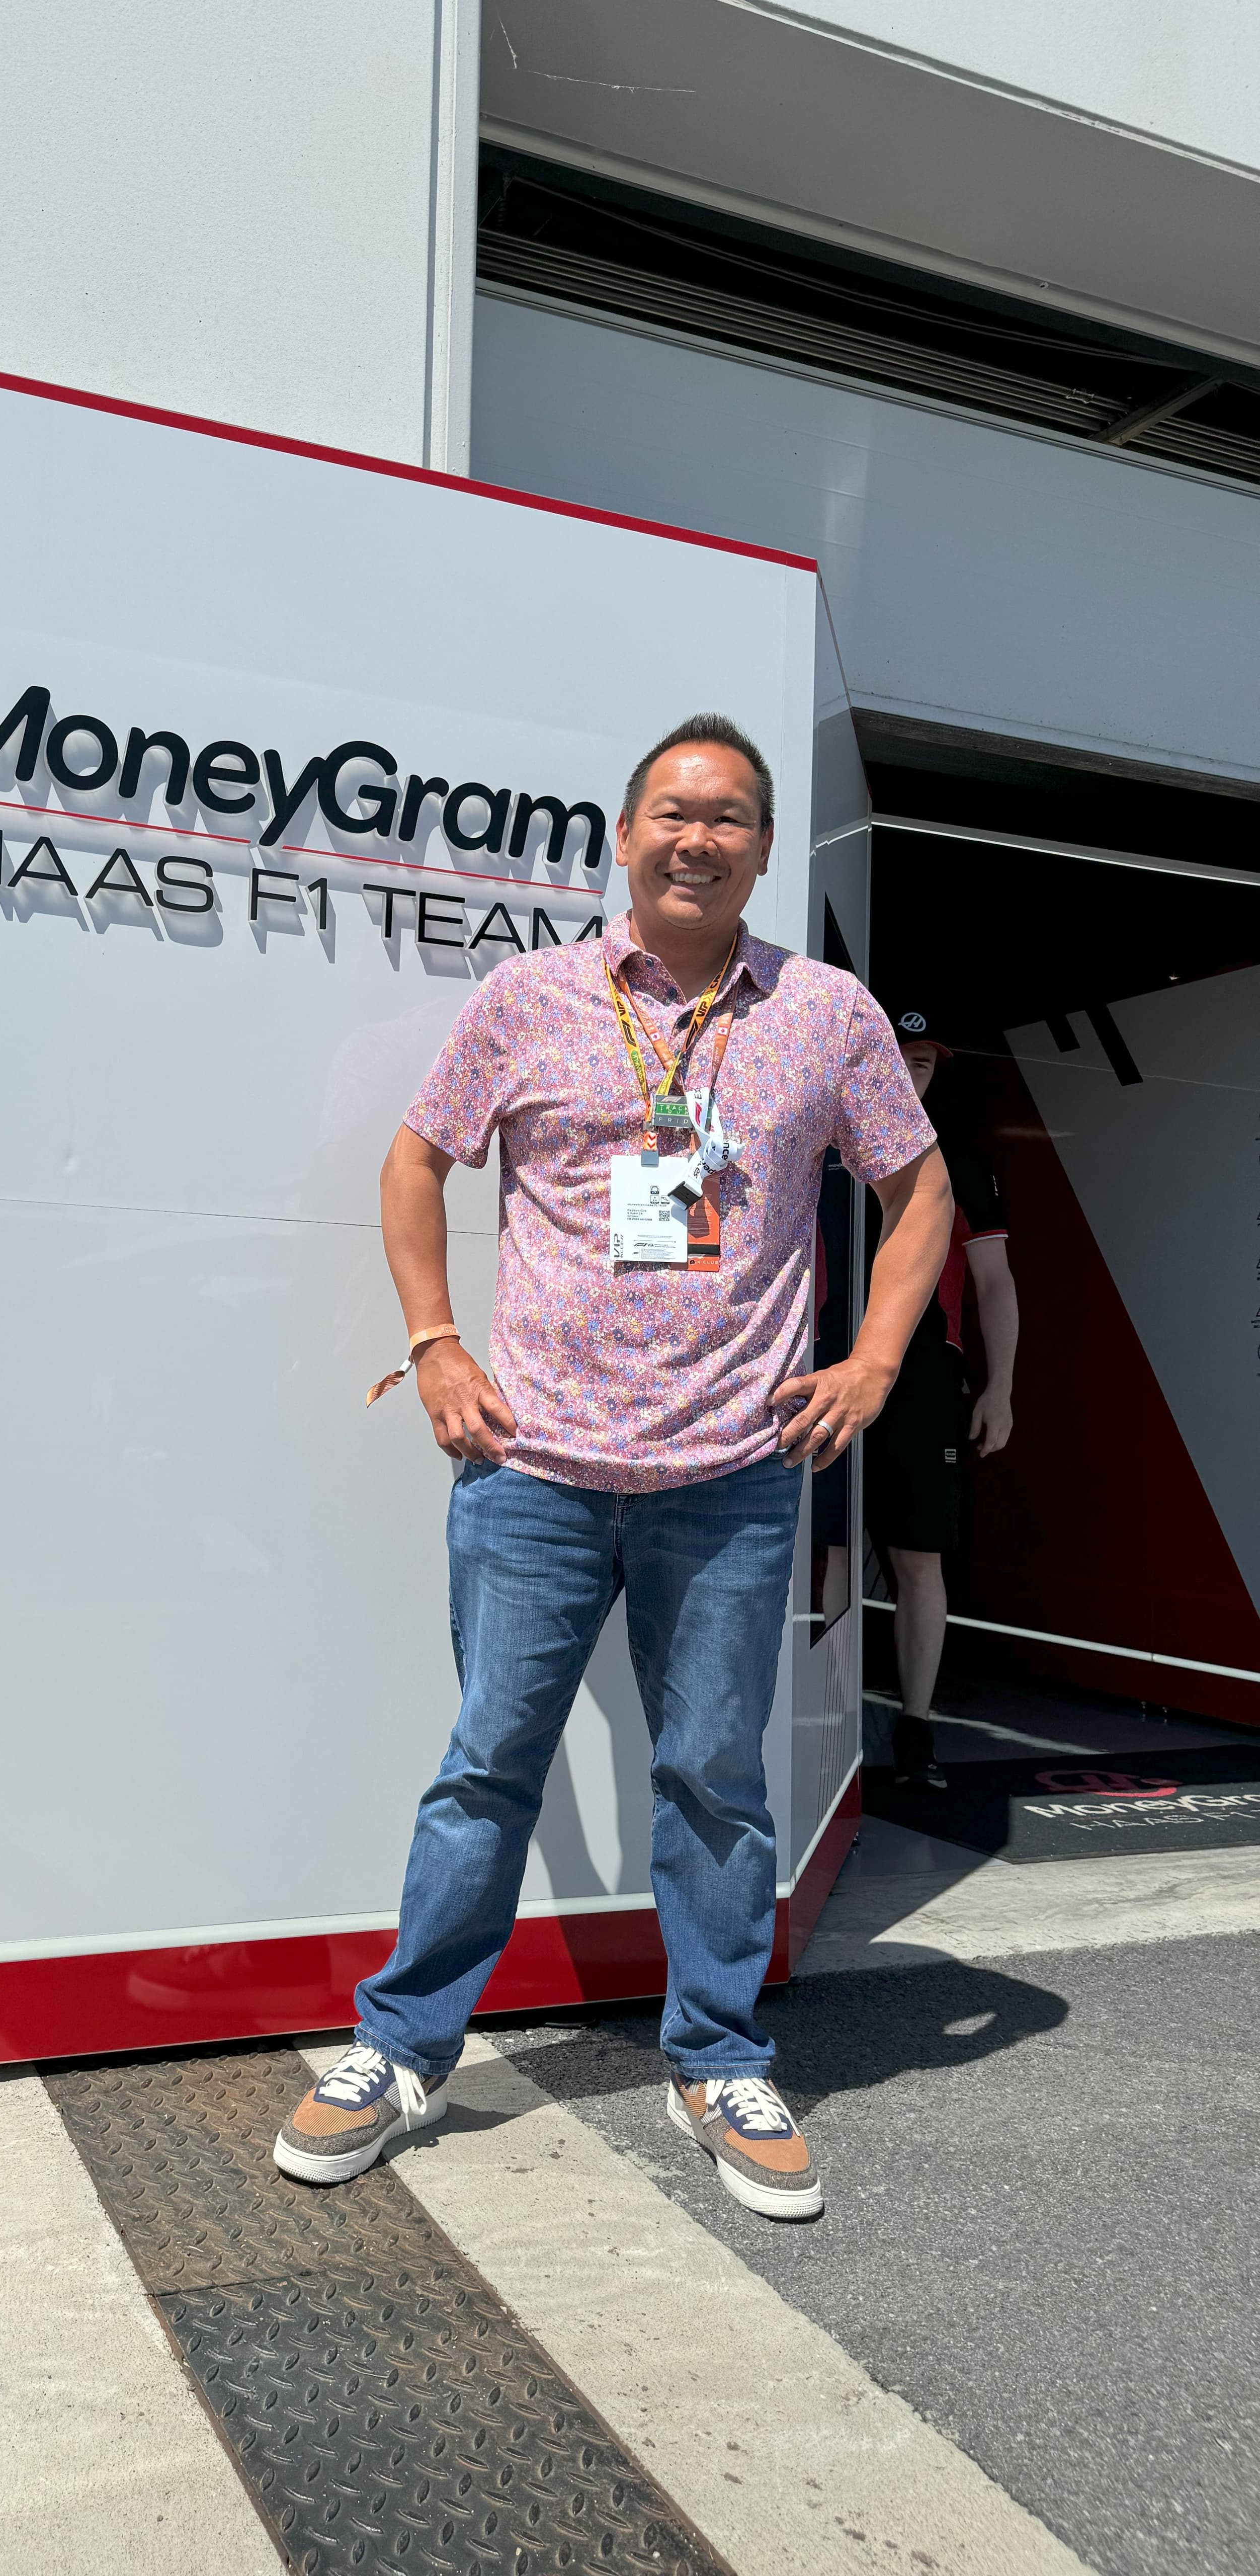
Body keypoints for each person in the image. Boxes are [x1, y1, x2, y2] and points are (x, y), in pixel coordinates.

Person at [273, 714, 950, 2221]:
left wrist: (879, 1364)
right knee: (487, 1767)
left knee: (716, 1783)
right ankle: (402, 2047)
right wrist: (437, 1341)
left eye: (726, 817)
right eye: (669, 811)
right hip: (537, 1472)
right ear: (624, 837)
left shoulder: (827, 1014)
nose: (694, 837)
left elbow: (920, 1192)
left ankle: (716, 2056)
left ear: (765, 851)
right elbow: (414, 1159)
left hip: (731, 1470)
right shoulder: (530, 998)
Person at [867, 1010, 1019, 1790]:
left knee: (916, 1557)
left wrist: (1001, 1387)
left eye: (923, 1063)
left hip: (926, 1380)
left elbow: (994, 1281)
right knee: (817, 1549)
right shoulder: (821, 1139)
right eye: (898, 1055)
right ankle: (813, 1735)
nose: (910, 1073)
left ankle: (916, 1727)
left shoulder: (961, 1160)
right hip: (810, 1366)